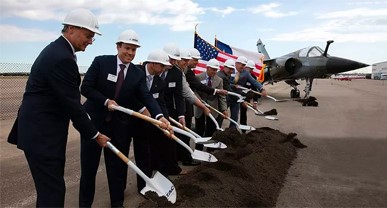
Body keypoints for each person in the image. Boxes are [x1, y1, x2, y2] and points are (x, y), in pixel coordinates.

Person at [6, 8, 110, 207]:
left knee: (50, 190)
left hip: (40, 133)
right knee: (52, 193)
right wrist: (95, 134)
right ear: (71, 29)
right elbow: (73, 105)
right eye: (88, 35)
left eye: (92, 37)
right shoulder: (62, 57)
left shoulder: (59, 51)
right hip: (42, 136)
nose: (90, 41)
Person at [79, 30, 171, 207]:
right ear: (118, 46)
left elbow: (146, 96)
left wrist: (159, 116)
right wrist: (105, 101)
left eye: (134, 49)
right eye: (127, 48)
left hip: (119, 127)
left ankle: (117, 203)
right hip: (93, 125)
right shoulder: (101, 62)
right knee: (89, 169)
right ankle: (85, 204)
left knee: (117, 168)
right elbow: (86, 88)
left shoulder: (137, 74)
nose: (130, 53)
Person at [133, 49, 171, 192]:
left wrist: (164, 119)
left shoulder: (160, 82)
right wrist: (142, 108)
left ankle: (146, 185)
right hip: (130, 117)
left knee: (146, 152)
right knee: (138, 153)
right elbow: (130, 94)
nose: (163, 69)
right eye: (162, 66)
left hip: (149, 120)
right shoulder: (135, 72)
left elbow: (160, 102)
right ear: (153, 63)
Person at [229, 56, 267, 128]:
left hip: (238, 97)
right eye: (242, 65)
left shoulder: (245, 73)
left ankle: (232, 132)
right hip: (228, 96)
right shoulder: (230, 70)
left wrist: (262, 89)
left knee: (234, 116)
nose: (243, 67)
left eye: (244, 65)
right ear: (237, 63)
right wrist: (233, 86)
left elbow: (254, 82)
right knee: (222, 115)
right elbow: (225, 83)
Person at [194, 59, 227, 137]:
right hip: (200, 108)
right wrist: (200, 101)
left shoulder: (219, 80)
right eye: (213, 69)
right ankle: (199, 147)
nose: (215, 72)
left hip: (213, 108)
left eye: (216, 70)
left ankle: (210, 148)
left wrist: (224, 109)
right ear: (208, 68)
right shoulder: (198, 77)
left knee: (211, 130)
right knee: (199, 129)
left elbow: (221, 96)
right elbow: (194, 92)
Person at [240, 60, 260, 132]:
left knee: (243, 114)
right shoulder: (239, 74)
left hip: (245, 97)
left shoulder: (253, 77)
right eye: (250, 69)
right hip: (236, 96)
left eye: (252, 69)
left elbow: (255, 89)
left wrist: (255, 101)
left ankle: (243, 130)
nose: (251, 70)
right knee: (234, 114)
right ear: (246, 67)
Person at [216, 59, 235, 127]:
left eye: (232, 69)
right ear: (224, 67)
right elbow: (228, 89)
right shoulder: (222, 76)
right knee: (219, 118)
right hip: (219, 100)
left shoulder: (226, 74)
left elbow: (228, 85)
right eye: (229, 69)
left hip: (221, 98)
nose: (231, 71)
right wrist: (239, 97)